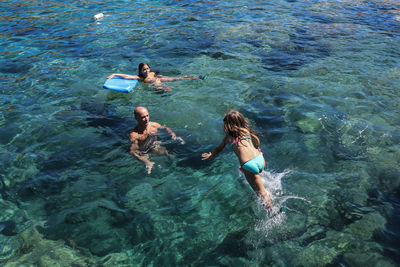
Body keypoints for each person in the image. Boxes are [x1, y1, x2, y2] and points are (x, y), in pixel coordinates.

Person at [201, 110, 273, 211]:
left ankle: (272, 212)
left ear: (227, 125)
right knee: (258, 180)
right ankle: (262, 186)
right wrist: (257, 147)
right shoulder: (246, 130)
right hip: (260, 159)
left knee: (261, 194)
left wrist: (212, 155)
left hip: (249, 165)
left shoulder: (228, 138)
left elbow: (218, 148)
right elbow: (256, 139)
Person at [130, 106, 184, 174]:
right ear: (136, 118)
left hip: (156, 145)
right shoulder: (134, 134)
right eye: (143, 117)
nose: (146, 119)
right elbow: (133, 151)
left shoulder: (153, 125)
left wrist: (174, 135)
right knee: (153, 170)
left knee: (172, 156)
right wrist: (146, 161)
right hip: (145, 151)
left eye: (147, 116)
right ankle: (150, 164)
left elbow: (165, 128)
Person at [107, 62, 200, 91]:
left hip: (158, 79)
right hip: (153, 84)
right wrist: (114, 74)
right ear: (140, 71)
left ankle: (194, 77)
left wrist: (159, 75)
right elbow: (127, 76)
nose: (146, 71)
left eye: (147, 68)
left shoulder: (151, 73)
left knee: (177, 78)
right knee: (168, 89)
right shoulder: (141, 77)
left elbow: (157, 73)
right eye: (144, 69)